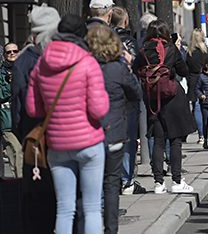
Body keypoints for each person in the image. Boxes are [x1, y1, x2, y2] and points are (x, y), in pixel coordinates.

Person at [26, 14, 110, 234]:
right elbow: (98, 109)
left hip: (57, 144)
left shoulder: (41, 63)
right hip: (89, 142)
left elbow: (33, 109)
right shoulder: (87, 62)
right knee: (91, 208)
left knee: (64, 209)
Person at [87, 24, 142, 234]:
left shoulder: (85, 67)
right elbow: (136, 93)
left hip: (89, 133)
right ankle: (111, 228)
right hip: (114, 134)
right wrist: (128, 67)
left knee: (91, 183)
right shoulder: (117, 69)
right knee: (112, 182)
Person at [11, 5, 60, 232]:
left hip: (35, 134)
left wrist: (23, 134)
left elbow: (19, 106)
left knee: (37, 189)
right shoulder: (62, 57)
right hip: (61, 135)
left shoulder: (23, 62)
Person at [134, 19, 195, 194]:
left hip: (153, 99)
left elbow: (136, 68)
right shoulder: (170, 49)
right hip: (172, 97)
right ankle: (177, 181)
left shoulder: (143, 50)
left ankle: (158, 183)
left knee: (158, 140)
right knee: (175, 140)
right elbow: (184, 71)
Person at [1, 42, 21, 178]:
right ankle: (21, 183)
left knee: (17, 155)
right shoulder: (1, 73)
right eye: (9, 52)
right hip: (7, 119)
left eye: (15, 51)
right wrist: (10, 85)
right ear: (4, 55)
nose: (12, 53)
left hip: (21, 119)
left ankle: (19, 184)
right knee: (17, 150)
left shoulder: (23, 69)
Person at [186, 29, 208, 143]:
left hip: (193, 79)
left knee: (197, 108)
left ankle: (201, 135)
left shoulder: (189, 53)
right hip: (204, 78)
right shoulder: (205, 52)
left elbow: (186, 69)